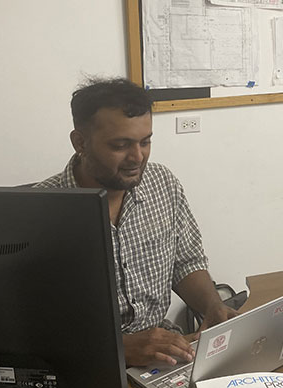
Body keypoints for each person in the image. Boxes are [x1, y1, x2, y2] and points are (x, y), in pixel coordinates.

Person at [35, 77, 239, 367]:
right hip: (83, 362)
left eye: (146, 142)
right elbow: (27, 323)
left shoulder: (162, 183)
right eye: (121, 145)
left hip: (164, 352)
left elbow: (186, 263)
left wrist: (212, 306)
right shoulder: (40, 210)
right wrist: (117, 348)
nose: (137, 157)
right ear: (80, 142)